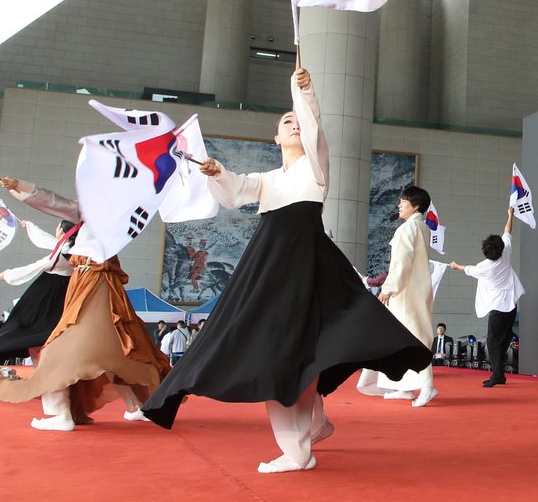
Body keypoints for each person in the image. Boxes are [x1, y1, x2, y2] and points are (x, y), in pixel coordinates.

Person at [140, 67, 432, 474]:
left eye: (296, 120)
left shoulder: (316, 167)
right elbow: (234, 191)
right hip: (272, 266)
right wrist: (215, 171)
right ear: (275, 138)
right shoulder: (267, 179)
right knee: (290, 353)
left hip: (306, 263)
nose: (294, 125)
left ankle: (297, 452)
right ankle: (316, 424)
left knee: (285, 354)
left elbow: (313, 132)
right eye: (285, 123)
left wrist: (303, 95)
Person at [0, 177, 171, 431]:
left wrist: (23, 188)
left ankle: (61, 414)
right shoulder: (111, 215)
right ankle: (138, 406)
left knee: (58, 351)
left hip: (93, 283)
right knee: (113, 351)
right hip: (94, 283)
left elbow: (57, 204)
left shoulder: (100, 214)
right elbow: (58, 213)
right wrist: (22, 189)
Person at [0, 220, 75, 368]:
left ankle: (42, 369)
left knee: (26, 324)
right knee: (44, 329)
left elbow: (38, 265)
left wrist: (8, 275)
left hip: (49, 291)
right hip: (64, 290)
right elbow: (47, 239)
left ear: (61, 231)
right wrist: (30, 226)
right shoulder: (72, 247)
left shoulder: (63, 252)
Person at [375, 185, 440, 405]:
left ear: (416, 206)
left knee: (414, 338)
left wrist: (388, 289)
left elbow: (401, 264)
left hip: (405, 292)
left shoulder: (406, 230)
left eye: (403, 201)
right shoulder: (422, 228)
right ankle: (403, 386)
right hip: (415, 289)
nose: (399, 205)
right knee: (406, 337)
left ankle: (427, 386)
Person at [449, 208, 526, 387]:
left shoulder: (484, 267)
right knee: (504, 335)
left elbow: (465, 269)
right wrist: (510, 214)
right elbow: (507, 231)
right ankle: (502, 361)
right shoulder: (506, 252)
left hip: (499, 307)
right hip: (512, 303)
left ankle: (498, 375)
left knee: (492, 341)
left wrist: (455, 265)